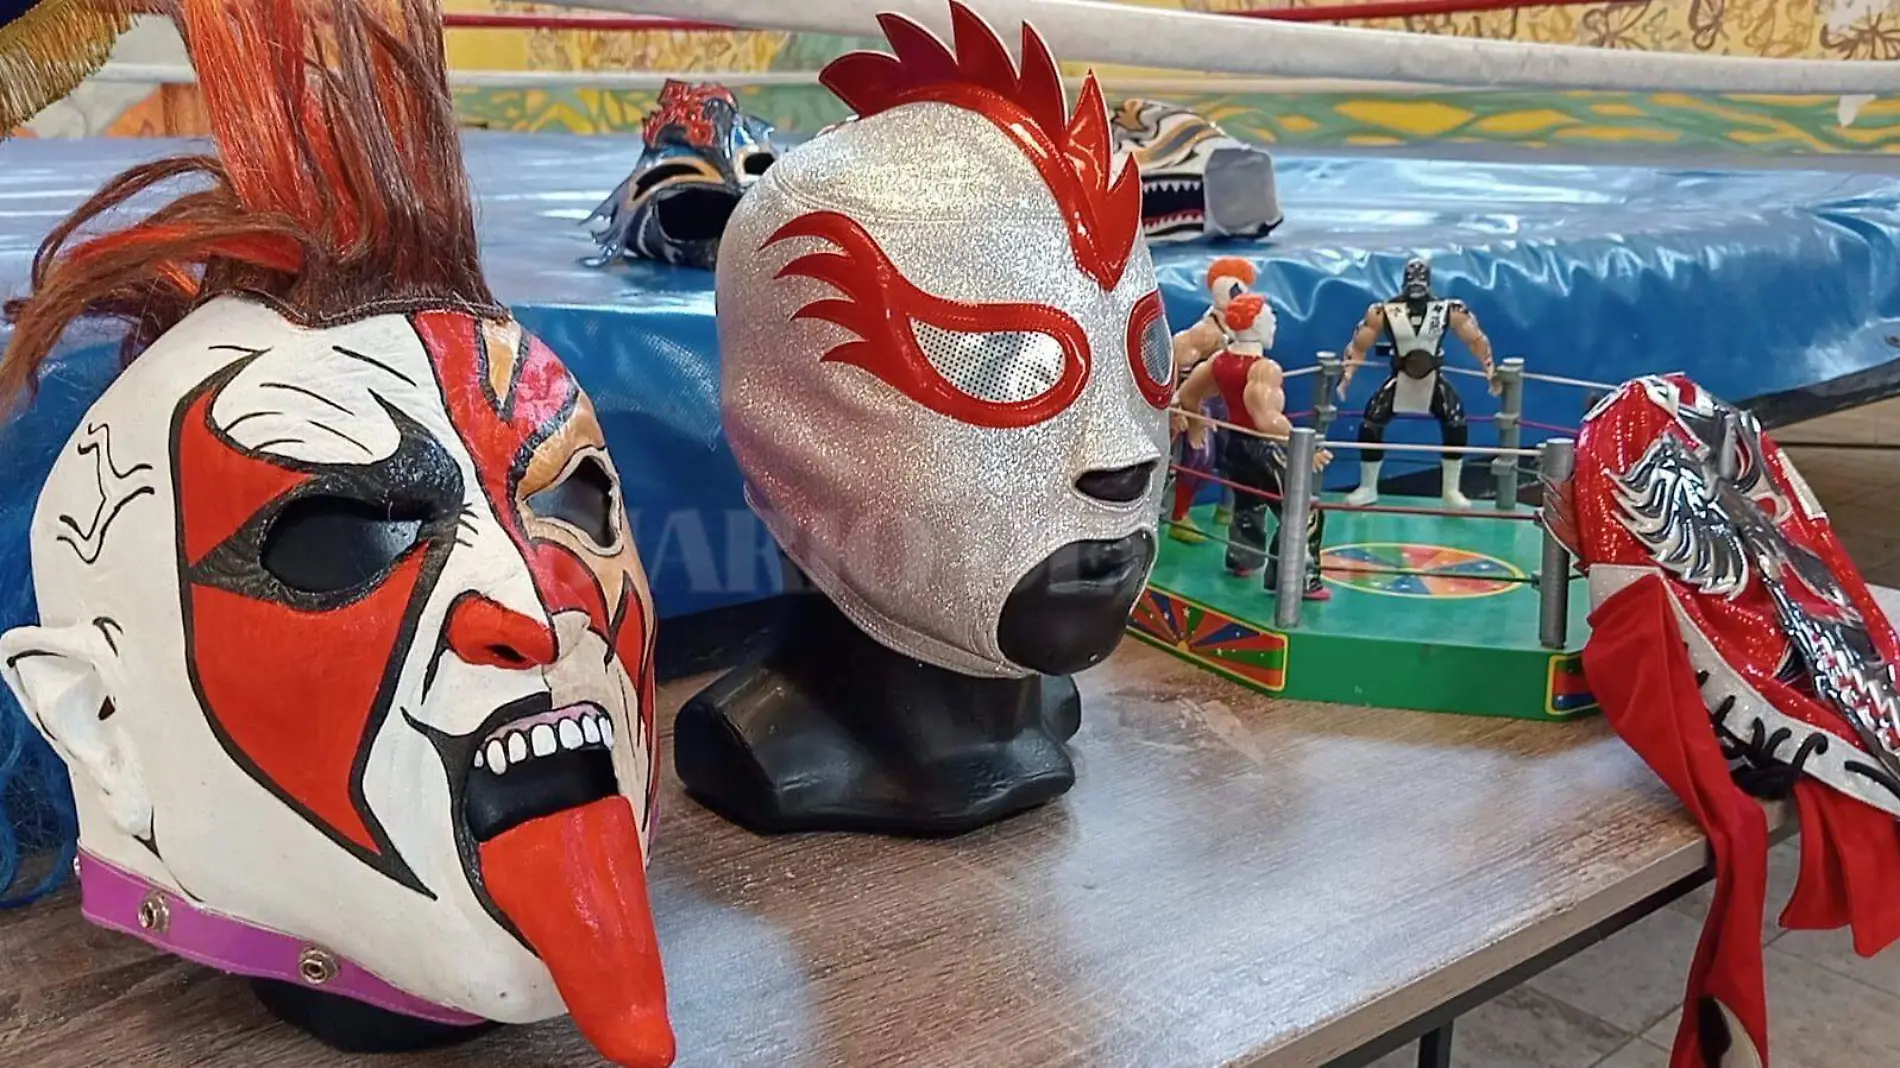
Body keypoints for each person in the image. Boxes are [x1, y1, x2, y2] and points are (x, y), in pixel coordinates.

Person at [1175, 293, 1330, 600]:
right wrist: (1304, 448)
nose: (1274, 325)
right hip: (1259, 447)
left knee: (1249, 503)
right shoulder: (1263, 369)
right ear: (1257, 324)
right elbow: (1265, 418)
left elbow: (1189, 394)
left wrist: (1197, 424)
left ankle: (1242, 557)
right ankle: (1299, 578)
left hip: (1234, 445)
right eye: (1270, 319)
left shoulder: (1220, 360)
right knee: (1304, 510)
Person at [1337, 257, 1497, 507]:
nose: (1416, 285)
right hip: (1401, 376)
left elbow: (1476, 340)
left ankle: (1451, 489)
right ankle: (1368, 486)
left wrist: (1489, 369)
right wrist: (1347, 374)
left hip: (1432, 378)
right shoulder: (1383, 312)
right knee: (1371, 423)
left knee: (1455, 422)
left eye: (1420, 279)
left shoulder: (1448, 310)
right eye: (1411, 279)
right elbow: (1358, 345)